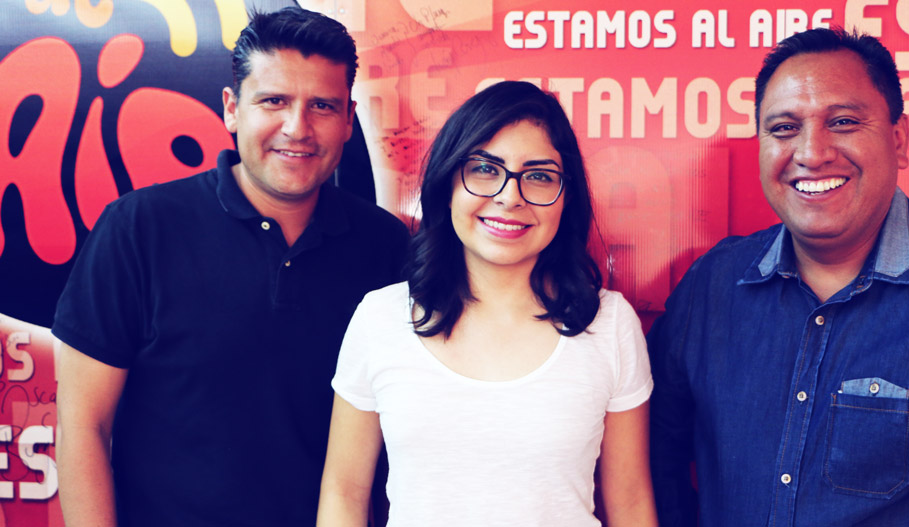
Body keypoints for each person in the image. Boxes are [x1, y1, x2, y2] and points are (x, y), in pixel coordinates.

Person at [648, 27, 909, 526]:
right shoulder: (711, 287)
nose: (812, 153)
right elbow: (653, 461)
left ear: (898, 139)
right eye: (784, 128)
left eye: (843, 122)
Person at [53, 7, 408, 526]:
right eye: (273, 101)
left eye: (322, 106)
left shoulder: (386, 246)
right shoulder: (139, 229)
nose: (297, 128)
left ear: (348, 119)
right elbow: (83, 426)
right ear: (232, 108)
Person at [317, 81, 658, 527]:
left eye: (539, 176)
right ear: (448, 182)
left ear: (567, 197)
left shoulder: (609, 323)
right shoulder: (381, 318)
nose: (509, 196)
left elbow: (630, 502)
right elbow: (344, 492)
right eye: (483, 168)